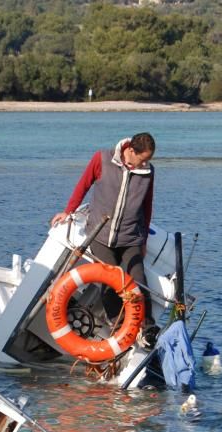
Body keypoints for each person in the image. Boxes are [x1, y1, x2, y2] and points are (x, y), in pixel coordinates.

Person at [50, 132, 158, 344]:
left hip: (131, 237)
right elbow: (83, 185)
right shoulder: (102, 159)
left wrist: (143, 239)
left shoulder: (148, 171)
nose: (145, 163)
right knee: (110, 282)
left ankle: (148, 327)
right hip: (101, 235)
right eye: (143, 159)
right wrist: (68, 211)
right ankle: (119, 328)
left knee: (139, 280)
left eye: (148, 160)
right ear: (130, 151)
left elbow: (147, 206)